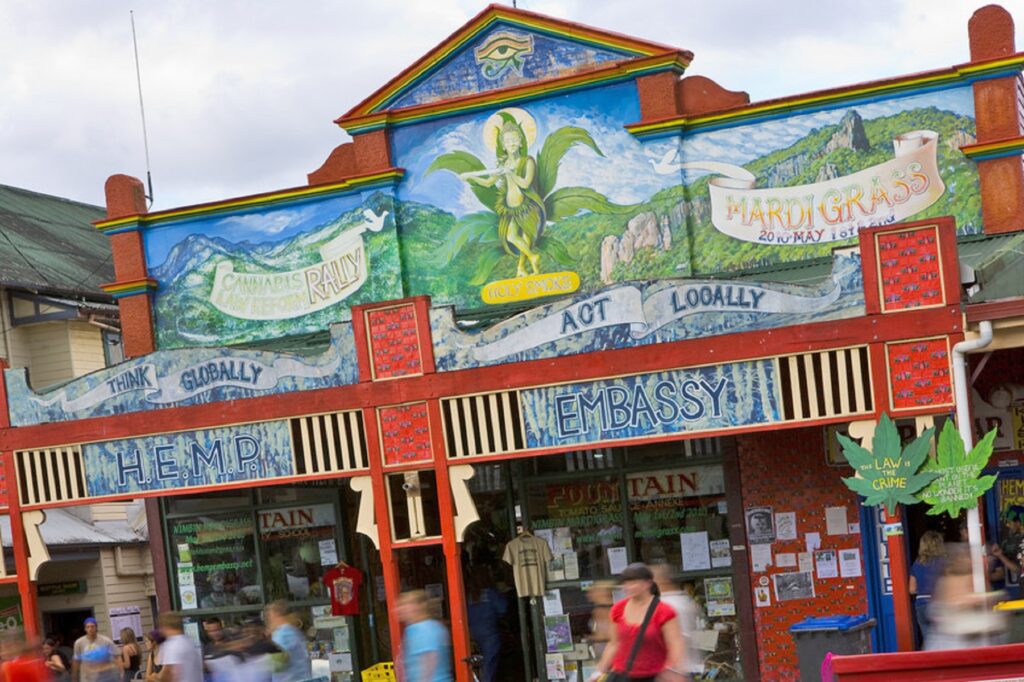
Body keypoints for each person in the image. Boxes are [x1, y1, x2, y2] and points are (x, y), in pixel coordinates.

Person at [591, 563, 685, 682]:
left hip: (653, 676)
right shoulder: (618, 609)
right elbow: (614, 644)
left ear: (648, 584)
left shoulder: (664, 611)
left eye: (633, 583)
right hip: (623, 676)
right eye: (626, 583)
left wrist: (673, 670)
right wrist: (599, 671)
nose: (628, 587)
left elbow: (675, 644)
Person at [926, 543, 1007, 650]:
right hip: (953, 640)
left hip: (974, 638)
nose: (969, 561)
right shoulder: (946, 581)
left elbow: (988, 603)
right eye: (966, 557)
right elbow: (950, 604)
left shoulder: (976, 579)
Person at [397, 590, 453, 682]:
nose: (400, 609)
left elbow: (429, 661)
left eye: (405, 604)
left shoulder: (424, 629)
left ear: (419, 606)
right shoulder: (414, 629)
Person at [651, 564, 695, 676]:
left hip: (674, 670)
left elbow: (678, 638)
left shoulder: (669, 604)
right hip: (679, 668)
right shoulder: (684, 600)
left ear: (661, 580)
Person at [464, 568, 507, 682]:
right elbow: (503, 608)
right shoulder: (490, 593)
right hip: (490, 636)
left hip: (473, 637)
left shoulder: (469, 596)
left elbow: (465, 616)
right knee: (489, 669)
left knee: (479, 668)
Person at [909, 530, 945, 647]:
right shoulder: (944, 562)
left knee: (928, 639)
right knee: (944, 638)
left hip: (921, 605)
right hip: (939, 603)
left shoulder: (917, 563)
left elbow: (912, 589)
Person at [264, 601, 310, 682]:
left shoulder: (283, 634)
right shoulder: (293, 630)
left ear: (276, 615)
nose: (268, 619)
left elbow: (279, 660)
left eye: (269, 615)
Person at [156, 613, 202, 682]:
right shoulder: (191, 642)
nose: (160, 630)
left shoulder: (170, 645)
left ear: (166, 626)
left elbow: (169, 672)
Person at [991, 506, 1024, 598]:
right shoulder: (1007, 539)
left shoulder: (1022, 541)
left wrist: (1000, 555)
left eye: (1009, 522)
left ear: (1018, 523)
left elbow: (1018, 568)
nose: (1007, 526)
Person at [72, 618, 118, 682]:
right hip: (86, 677)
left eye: (92, 626)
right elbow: (76, 661)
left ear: (96, 627)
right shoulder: (79, 643)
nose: (90, 629)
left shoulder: (106, 641)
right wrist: (74, 677)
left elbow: (115, 658)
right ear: (85, 629)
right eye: (87, 627)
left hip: (104, 677)